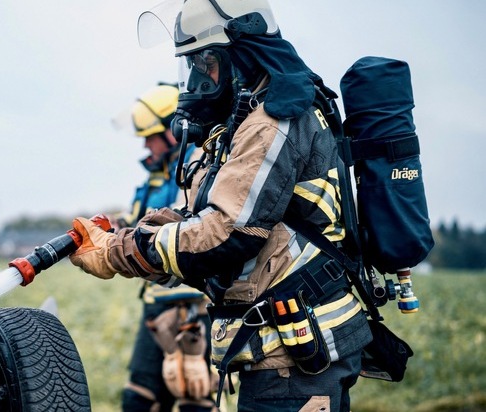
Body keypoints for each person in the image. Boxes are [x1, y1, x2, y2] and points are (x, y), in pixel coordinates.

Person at [70, 1, 373, 411]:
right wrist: (121, 241)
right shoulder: (248, 121)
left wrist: (114, 252)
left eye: (207, 62)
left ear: (242, 58)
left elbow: (226, 233)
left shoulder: (272, 122)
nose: (198, 79)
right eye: (192, 65)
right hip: (281, 356)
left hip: (292, 363)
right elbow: (199, 218)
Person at [112, 83, 216, 412]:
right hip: (155, 307)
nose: (146, 145)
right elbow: (132, 223)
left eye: (150, 136)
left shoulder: (200, 167)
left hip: (194, 307)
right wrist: (108, 232)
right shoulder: (154, 178)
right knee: (139, 399)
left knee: (194, 396)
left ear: (174, 131)